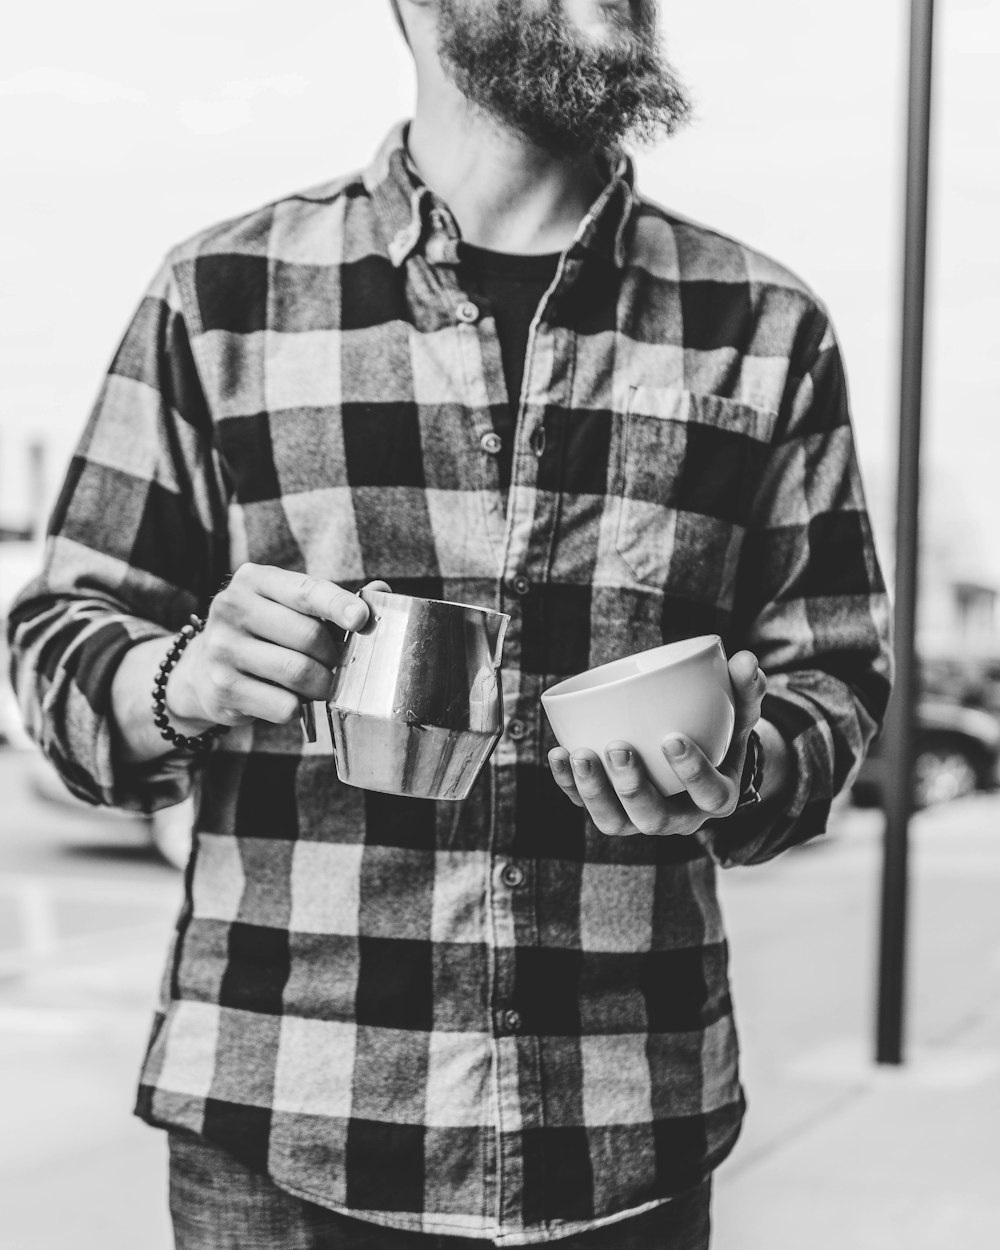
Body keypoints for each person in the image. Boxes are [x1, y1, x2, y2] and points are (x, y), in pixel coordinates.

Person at [7, 1, 893, 1246]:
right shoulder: (222, 293)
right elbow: (60, 641)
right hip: (281, 1123)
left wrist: (737, 767)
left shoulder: (762, 323)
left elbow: (836, 680)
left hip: (624, 1129)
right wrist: (187, 678)